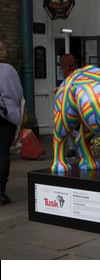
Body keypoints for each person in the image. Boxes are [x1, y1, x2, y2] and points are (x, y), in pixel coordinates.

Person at [0, 41, 24, 206]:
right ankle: (0, 193)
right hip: (3, 118)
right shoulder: (7, 70)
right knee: (2, 154)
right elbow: (17, 94)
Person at [59, 53, 79, 158]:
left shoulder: (70, 76)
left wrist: (58, 90)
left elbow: (70, 90)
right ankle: (72, 149)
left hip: (72, 105)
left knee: (63, 124)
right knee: (68, 126)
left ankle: (78, 138)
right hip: (77, 104)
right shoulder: (76, 74)